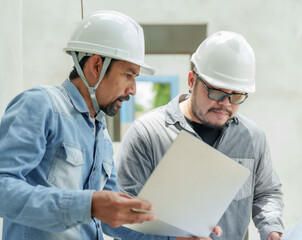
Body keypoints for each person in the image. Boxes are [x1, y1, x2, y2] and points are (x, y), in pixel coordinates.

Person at [0, 10, 158, 240]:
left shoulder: (101, 134)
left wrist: (175, 236)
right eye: (128, 75)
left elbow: (112, 221)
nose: (133, 90)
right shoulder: (41, 105)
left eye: (135, 77)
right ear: (96, 66)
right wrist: (88, 205)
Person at [117, 31, 285, 240]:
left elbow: (266, 193)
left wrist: (272, 230)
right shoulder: (148, 134)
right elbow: (121, 220)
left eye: (237, 96)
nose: (225, 103)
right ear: (191, 80)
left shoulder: (252, 138)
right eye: (216, 92)